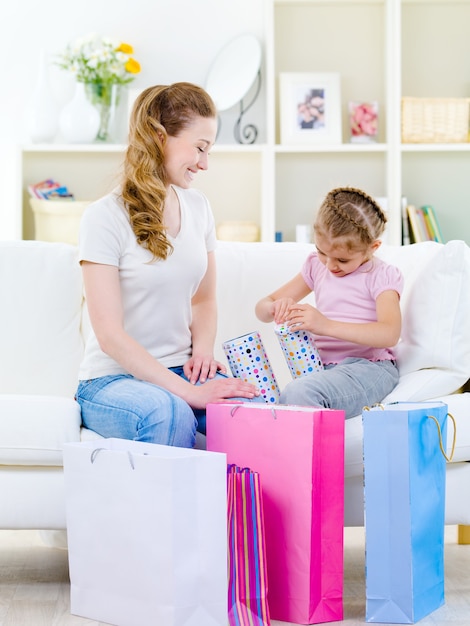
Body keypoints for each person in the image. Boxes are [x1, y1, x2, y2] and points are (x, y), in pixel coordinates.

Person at [75, 82, 259, 448]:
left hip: (181, 370)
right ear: (160, 137)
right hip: (112, 381)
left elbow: (203, 299)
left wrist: (203, 352)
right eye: (200, 148)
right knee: (168, 412)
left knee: (250, 412)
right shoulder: (104, 218)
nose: (205, 163)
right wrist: (188, 393)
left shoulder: (198, 207)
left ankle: (235, 508)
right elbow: (110, 335)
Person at [255, 187, 403, 419]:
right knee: (268, 399)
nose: (330, 265)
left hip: (370, 368)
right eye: (321, 252)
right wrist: (275, 307)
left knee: (299, 393)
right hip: (325, 370)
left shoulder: (381, 275)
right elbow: (262, 308)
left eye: (343, 259)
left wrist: (324, 325)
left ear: (372, 248)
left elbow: (389, 334)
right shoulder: (316, 266)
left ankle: (311, 457)